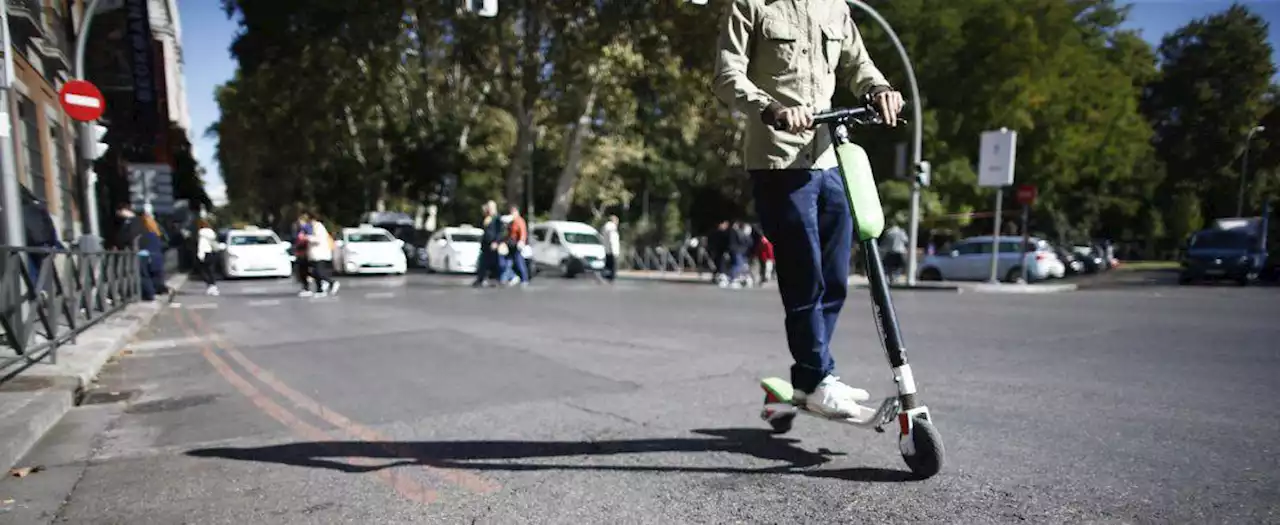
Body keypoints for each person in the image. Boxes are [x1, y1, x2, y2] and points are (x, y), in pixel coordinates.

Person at [714, 0, 905, 418]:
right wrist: (772, 108)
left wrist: (880, 89)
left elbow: (858, 64)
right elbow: (727, 76)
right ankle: (818, 376)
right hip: (778, 161)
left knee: (836, 277)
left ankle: (809, 377)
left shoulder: (835, 7)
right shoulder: (751, 5)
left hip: (829, 159)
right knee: (806, 277)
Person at [302, 212, 339, 297]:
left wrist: (307, 238)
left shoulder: (318, 227)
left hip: (320, 254)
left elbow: (319, 239)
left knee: (319, 272)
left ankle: (332, 282)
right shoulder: (312, 227)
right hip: (314, 254)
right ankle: (320, 290)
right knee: (314, 273)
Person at [507, 205, 531, 285]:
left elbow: (523, 232)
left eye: (513, 212)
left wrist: (521, 241)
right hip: (511, 244)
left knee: (519, 262)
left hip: (517, 244)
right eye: (511, 212)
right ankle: (515, 277)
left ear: (517, 212)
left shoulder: (520, 221)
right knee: (510, 262)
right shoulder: (512, 222)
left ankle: (525, 279)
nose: (512, 213)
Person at [195, 219, 219, 296]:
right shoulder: (211, 233)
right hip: (210, 252)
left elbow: (201, 246)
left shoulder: (201, 234)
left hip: (203, 253)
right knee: (211, 270)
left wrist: (200, 255)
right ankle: (213, 286)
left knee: (203, 271)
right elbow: (214, 243)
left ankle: (210, 285)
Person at [602, 215, 621, 282]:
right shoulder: (612, 228)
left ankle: (606, 277)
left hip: (607, 250)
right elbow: (612, 240)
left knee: (608, 265)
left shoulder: (606, 227)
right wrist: (614, 251)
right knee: (612, 266)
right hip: (612, 250)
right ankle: (610, 278)